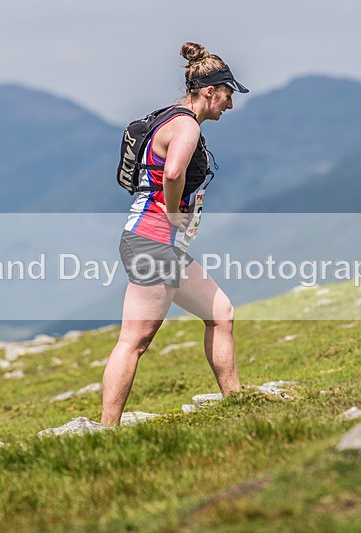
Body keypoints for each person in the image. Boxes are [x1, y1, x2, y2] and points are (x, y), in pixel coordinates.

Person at [101, 42, 249, 425]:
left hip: (155, 242)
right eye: (228, 96)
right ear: (209, 92)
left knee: (221, 314)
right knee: (135, 341)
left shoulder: (169, 117)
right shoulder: (184, 126)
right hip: (155, 240)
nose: (230, 106)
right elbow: (172, 174)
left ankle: (236, 403)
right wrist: (173, 214)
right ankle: (106, 429)